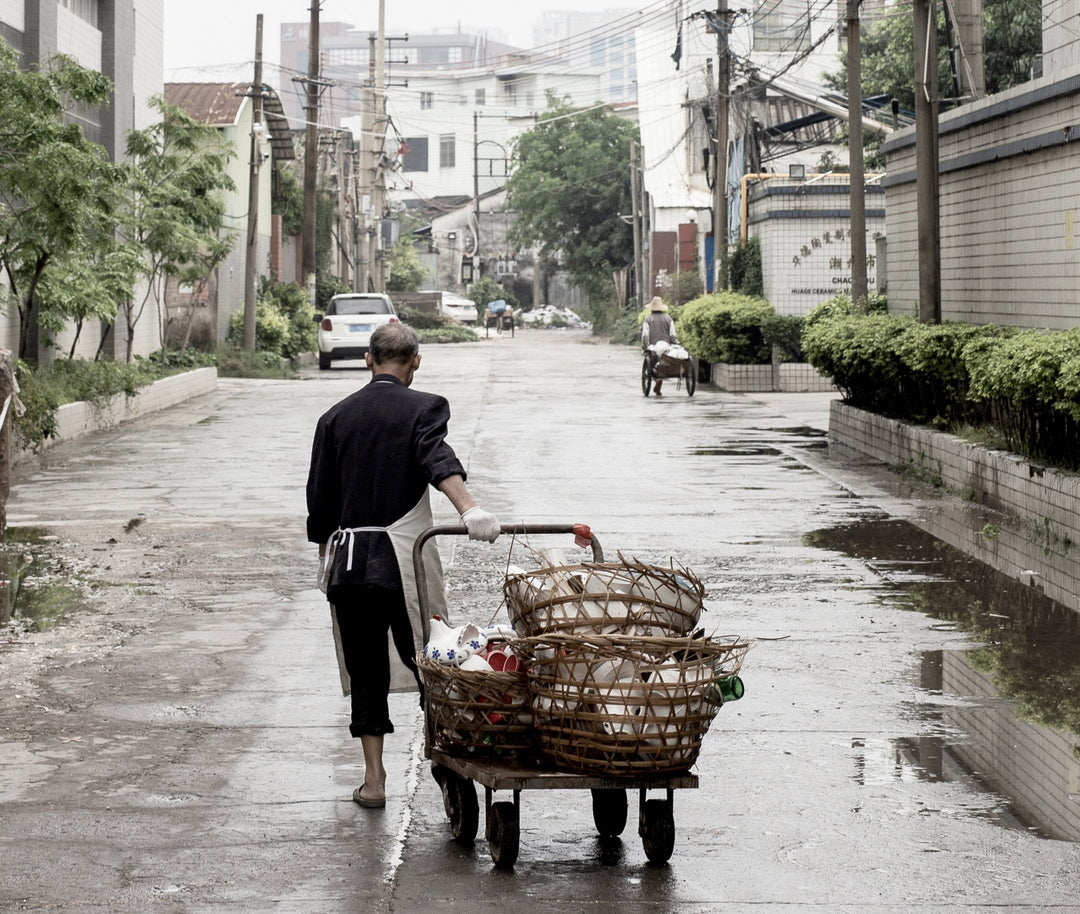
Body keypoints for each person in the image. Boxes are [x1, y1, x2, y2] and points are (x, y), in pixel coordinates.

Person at [306, 322, 500, 809]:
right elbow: (438, 459)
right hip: (402, 564)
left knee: (365, 669)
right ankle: (444, 761)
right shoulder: (425, 407)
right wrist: (469, 509)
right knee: (432, 661)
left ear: (369, 360)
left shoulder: (334, 418)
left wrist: (327, 558)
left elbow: (320, 505)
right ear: (416, 362)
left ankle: (374, 782)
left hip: (348, 566)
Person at [641, 296, 678, 396]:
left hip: (653, 347)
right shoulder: (668, 319)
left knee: (654, 361)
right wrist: (675, 344)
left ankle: (658, 381)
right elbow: (672, 335)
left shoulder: (648, 319)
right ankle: (659, 384)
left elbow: (645, 335)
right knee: (665, 361)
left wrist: (645, 346)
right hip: (666, 347)